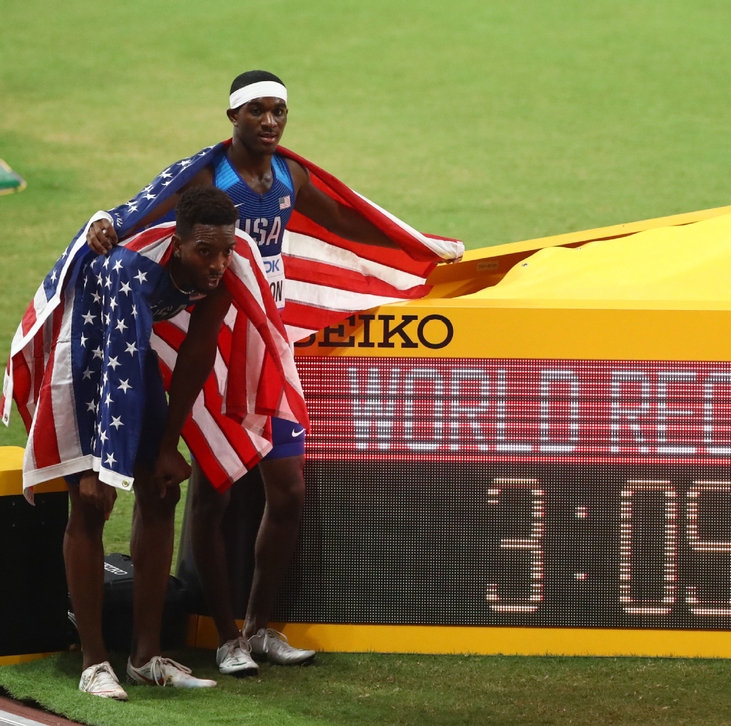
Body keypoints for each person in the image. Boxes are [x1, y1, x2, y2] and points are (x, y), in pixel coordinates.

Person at [85, 70, 463, 677]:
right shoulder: (210, 176)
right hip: (217, 336)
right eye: (257, 111)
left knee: (287, 489)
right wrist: (106, 220)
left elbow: (343, 221)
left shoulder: (290, 177)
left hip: (266, 341)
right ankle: (226, 637)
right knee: (215, 489)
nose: (269, 122)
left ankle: (259, 628)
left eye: (278, 111)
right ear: (232, 117)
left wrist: (413, 243)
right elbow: (153, 207)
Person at [14, 187, 255, 698]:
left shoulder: (224, 271)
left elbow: (196, 353)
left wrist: (168, 445)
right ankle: (94, 662)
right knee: (90, 503)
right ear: (178, 245)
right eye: (205, 252)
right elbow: (112, 360)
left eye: (226, 250)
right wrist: (99, 468)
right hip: (79, 352)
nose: (218, 263)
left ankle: (145, 658)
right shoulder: (131, 268)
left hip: (126, 351)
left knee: (161, 492)